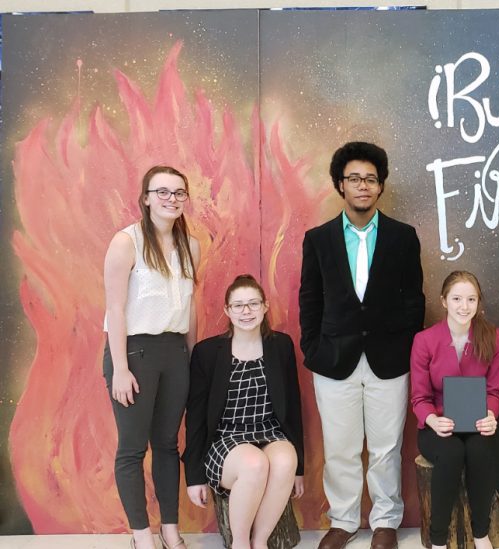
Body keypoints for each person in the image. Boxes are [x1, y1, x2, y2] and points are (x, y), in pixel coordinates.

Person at [299, 141, 425, 549]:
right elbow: (310, 299)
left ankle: (386, 520)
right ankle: (344, 520)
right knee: (340, 448)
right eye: (354, 178)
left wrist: (404, 345)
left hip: (390, 359)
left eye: (371, 179)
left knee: (387, 448)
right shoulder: (317, 240)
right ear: (341, 184)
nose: (363, 185)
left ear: (381, 186)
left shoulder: (403, 237)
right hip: (333, 359)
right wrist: (314, 349)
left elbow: (414, 300)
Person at [102, 165, 200, 549]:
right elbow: (115, 309)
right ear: (145, 198)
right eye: (162, 192)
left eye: (178, 193)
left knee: (167, 445)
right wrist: (121, 369)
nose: (171, 199)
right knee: (131, 447)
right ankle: (142, 536)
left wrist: (192, 357)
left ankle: (170, 531)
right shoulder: (125, 243)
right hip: (134, 352)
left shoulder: (191, 245)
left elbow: (191, 307)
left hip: (174, 353)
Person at [183, 274, 305, 549]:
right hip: (225, 440)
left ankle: (259, 542)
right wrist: (194, 477)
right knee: (254, 464)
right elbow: (196, 418)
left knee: (286, 460)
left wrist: (300, 470)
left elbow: (293, 408)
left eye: (253, 304)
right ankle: (240, 543)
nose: (246, 311)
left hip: (269, 432)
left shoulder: (281, 346)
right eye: (238, 305)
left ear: (264, 307)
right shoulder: (208, 352)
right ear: (227, 311)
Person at [410, 271, 499, 549]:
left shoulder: (494, 337)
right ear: (444, 301)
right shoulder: (425, 340)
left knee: (479, 450)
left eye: (471, 299)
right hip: (436, 425)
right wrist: (433, 420)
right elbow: (419, 397)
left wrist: (491, 415)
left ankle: (481, 533)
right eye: (456, 299)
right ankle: (438, 539)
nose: (464, 306)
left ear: (478, 302)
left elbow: (494, 391)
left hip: (476, 423)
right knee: (452, 453)